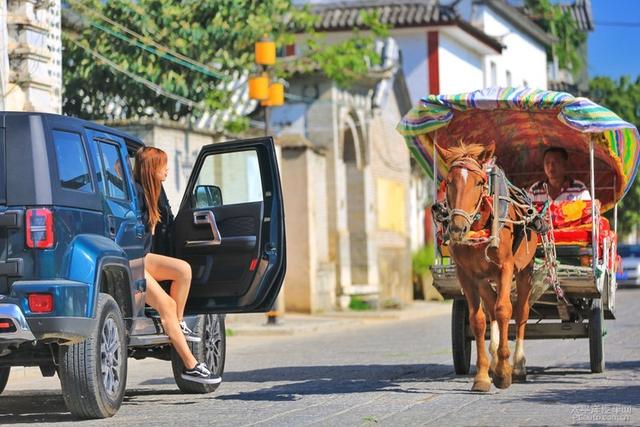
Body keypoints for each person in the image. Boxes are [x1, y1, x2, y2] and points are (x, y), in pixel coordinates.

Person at [134, 146, 220, 385]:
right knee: (167, 306)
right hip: (132, 263)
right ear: (153, 168)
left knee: (183, 269)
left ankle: (178, 324)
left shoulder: (155, 193)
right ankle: (191, 366)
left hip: (144, 258)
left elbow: (166, 225)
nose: (167, 169)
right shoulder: (137, 193)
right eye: (163, 165)